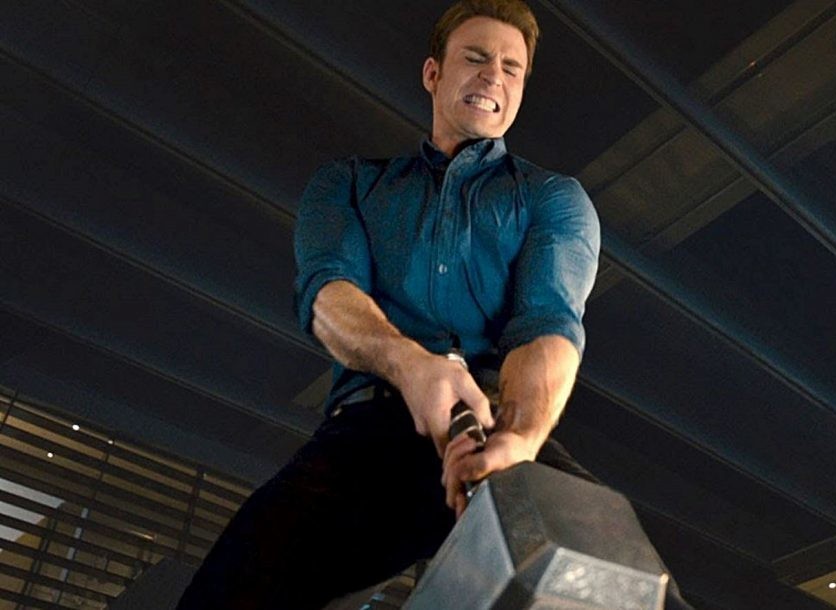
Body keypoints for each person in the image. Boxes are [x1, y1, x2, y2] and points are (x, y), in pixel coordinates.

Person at [178, 1, 682, 608]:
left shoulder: (554, 198)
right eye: (475, 57)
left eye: (512, 67)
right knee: (228, 593)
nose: (493, 75)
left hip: (499, 427)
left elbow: (547, 325)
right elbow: (328, 294)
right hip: (369, 432)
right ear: (433, 73)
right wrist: (414, 369)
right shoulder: (348, 184)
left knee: (631, 592)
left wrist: (521, 438)